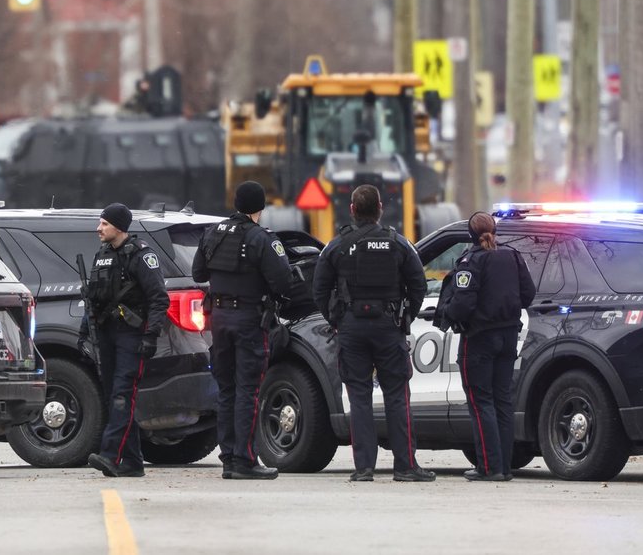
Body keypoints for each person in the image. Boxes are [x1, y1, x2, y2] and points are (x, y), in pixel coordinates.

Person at [312, 184, 434, 482]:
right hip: (389, 327)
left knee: (359, 397)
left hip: (352, 328)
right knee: (396, 395)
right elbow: (419, 284)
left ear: (352, 209)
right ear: (380, 208)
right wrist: (405, 317)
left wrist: (337, 318)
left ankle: (364, 467)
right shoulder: (399, 243)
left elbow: (318, 289)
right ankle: (405, 467)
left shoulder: (337, 245)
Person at [192, 180, 292, 480]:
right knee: (248, 390)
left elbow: (198, 273)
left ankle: (228, 459)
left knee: (226, 390)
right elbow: (283, 282)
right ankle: (245, 460)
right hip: (249, 320)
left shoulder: (213, 233)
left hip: (219, 320)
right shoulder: (262, 239)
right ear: (259, 208)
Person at [440, 211, 535, 482]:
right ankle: (504, 466)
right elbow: (528, 294)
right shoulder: (513, 256)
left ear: (470, 235)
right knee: (502, 400)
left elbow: (463, 305)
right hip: (508, 336)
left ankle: (488, 467)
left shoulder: (471, 261)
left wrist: (449, 313)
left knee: (481, 402)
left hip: (479, 339)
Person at [80, 203, 169, 478]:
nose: (98, 228)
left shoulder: (142, 255)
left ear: (119, 227)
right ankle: (131, 462)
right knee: (112, 396)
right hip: (106, 335)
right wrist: (85, 331)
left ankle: (110, 454)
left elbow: (159, 299)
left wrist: (151, 336)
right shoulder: (103, 255)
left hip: (132, 335)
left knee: (122, 396)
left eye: (104, 224)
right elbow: (93, 298)